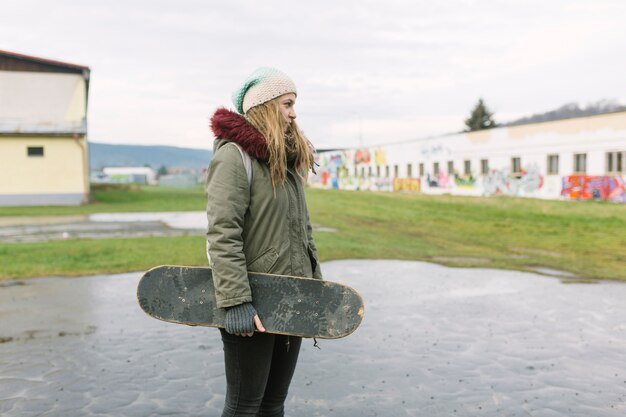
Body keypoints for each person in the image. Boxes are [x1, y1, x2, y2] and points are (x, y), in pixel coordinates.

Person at [205, 67, 323, 417]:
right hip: (253, 304)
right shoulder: (234, 156)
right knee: (245, 406)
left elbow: (303, 232)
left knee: (273, 404)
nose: (294, 112)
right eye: (287, 103)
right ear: (267, 105)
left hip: (292, 296)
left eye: (295, 104)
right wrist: (236, 301)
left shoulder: (285, 162)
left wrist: (313, 289)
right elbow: (222, 233)